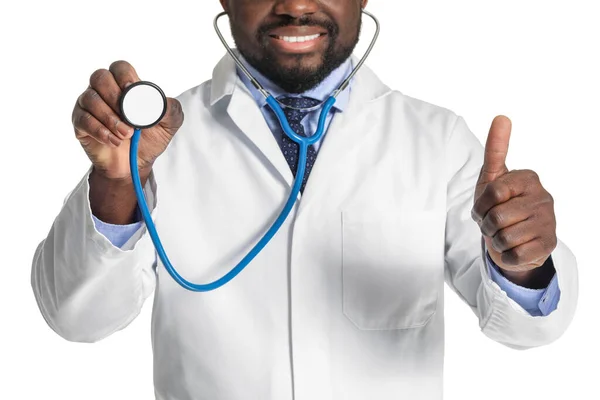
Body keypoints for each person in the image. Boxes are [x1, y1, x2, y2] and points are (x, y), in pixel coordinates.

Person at [31, 0, 578, 399]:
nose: (295, 5)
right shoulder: (155, 143)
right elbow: (78, 319)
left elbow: (535, 329)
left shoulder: (436, 140)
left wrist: (524, 265)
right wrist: (119, 182)